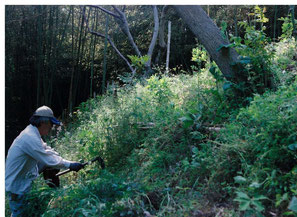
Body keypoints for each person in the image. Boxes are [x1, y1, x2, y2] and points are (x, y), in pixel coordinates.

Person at [5, 105, 84, 216]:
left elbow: (47, 150)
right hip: (17, 187)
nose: (51, 127)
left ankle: (55, 193)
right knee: (20, 213)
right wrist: (70, 165)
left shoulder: (32, 133)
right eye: (51, 124)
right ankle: (55, 194)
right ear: (43, 122)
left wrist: (68, 162)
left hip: (23, 181)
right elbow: (48, 159)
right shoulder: (29, 137)